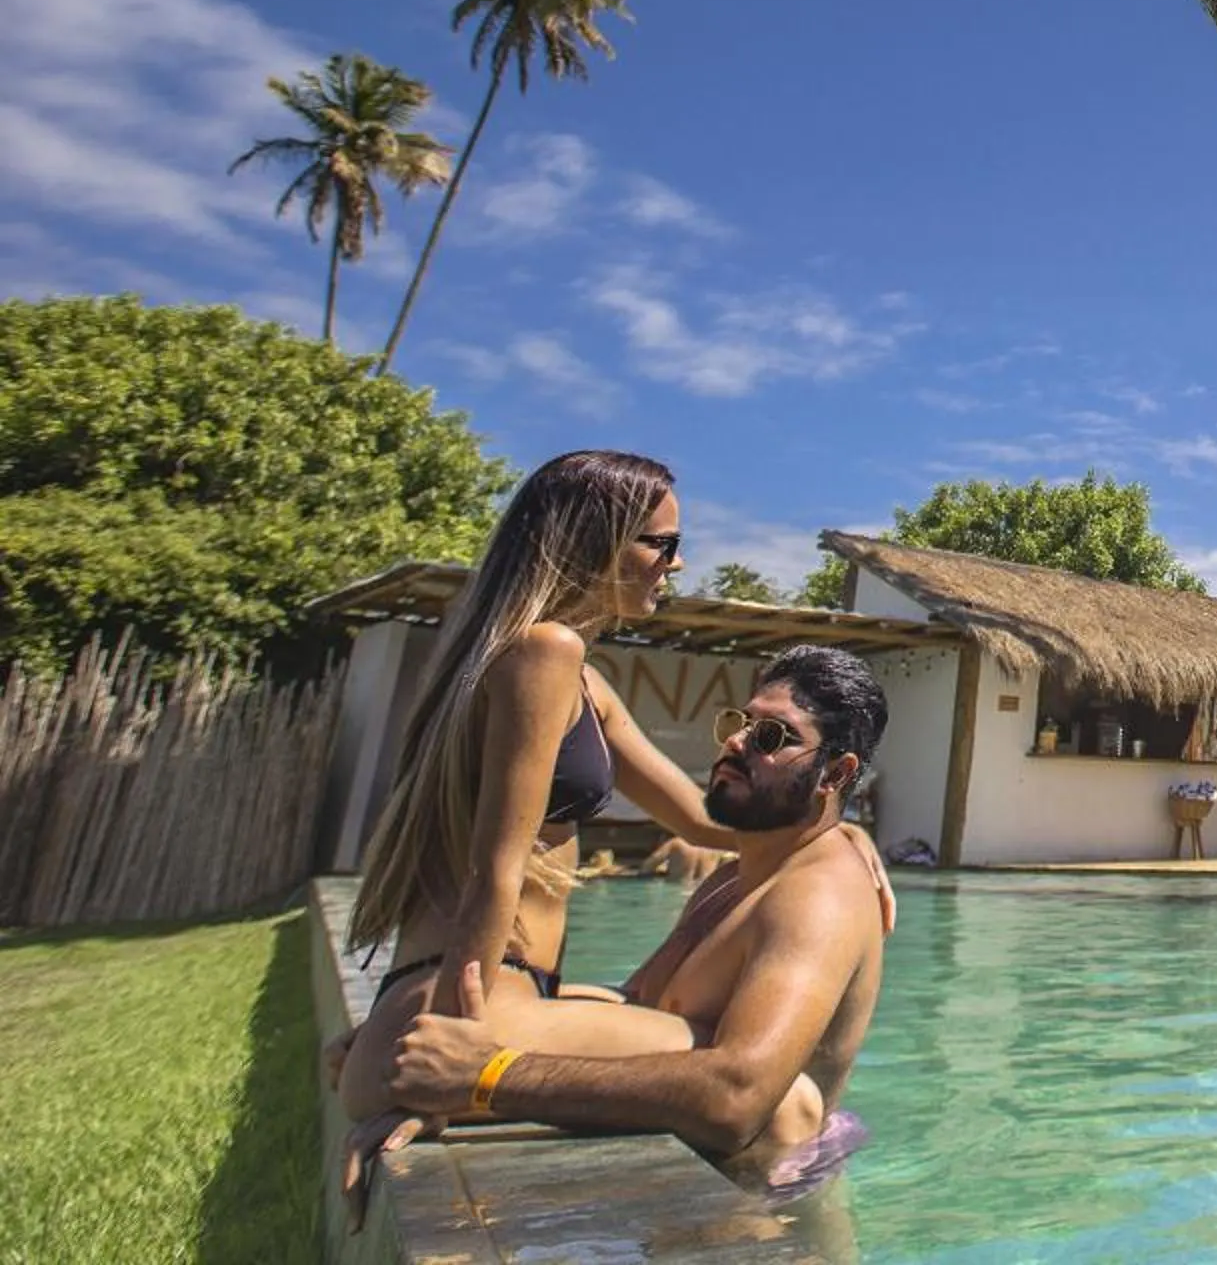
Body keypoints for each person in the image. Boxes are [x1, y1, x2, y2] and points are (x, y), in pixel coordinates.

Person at [335, 451, 886, 1131]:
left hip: (473, 990)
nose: (676, 564)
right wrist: (456, 1064)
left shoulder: (569, 679)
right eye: (662, 543)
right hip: (479, 1000)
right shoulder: (546, 651)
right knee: (782, 1101)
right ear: (592, 544)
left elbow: (701, 819)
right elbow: (495, 870)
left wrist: (847, 830)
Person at [352, 646, 891, 1207]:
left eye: (772, 737)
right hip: (688, 1196)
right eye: (742, 722)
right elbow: (636, 1008)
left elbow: (739, 1099)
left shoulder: (819, 896)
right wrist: (411, 1033)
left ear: (834, 772)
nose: (737, 742)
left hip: (768, 1211)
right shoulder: (731, 882)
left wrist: (487, 1077)